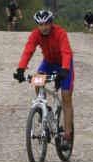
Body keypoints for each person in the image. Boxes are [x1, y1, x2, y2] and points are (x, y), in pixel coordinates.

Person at [13, 9, 75, 150]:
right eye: (40, 25)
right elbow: (28, 50)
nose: (43, 27)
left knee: (66, 96)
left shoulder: (60, 33)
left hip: (64, 64)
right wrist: (21, 69)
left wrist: (65, 69)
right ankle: (44, 109)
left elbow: (66, 52)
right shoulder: (36, 34)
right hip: (48, 62)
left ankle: (66, 136)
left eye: (46, 24)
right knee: (36, 81)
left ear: (52, 23)